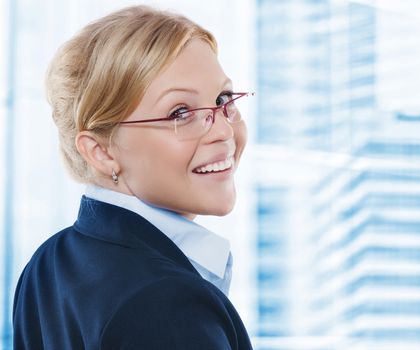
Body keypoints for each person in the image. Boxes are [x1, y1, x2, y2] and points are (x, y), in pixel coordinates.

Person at [12, 5, 253, 349]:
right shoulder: (167, 302)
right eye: (180, 112)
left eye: (222, 99)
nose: (224, 130)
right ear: (101, 151)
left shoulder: (48, 263)